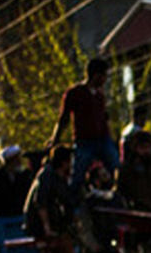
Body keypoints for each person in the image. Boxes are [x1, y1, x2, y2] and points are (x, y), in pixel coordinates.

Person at [46, 58, 118, 194]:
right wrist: (55, 139)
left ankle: (117, 193)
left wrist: (111, 136)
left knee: (115, 164)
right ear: (96, 75)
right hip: (85, 141)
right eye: (103, 76)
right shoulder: (75, 93)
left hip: (102, 139)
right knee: (78, 173)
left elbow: (104, 119)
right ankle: (72, 201)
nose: (105, 80)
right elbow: (64, 118)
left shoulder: (100, 96)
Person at [23, 146, 76, 239]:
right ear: (64, 162)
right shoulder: (47, 175)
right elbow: (40, 202)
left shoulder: (61, 177)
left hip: (53, 220)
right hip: (37, 223)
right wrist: (47, 228)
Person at [0, 144, 34, 218]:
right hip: (3, 217)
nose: (19, 161)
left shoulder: (24, 175)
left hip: (21, 215)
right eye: (16, 159)